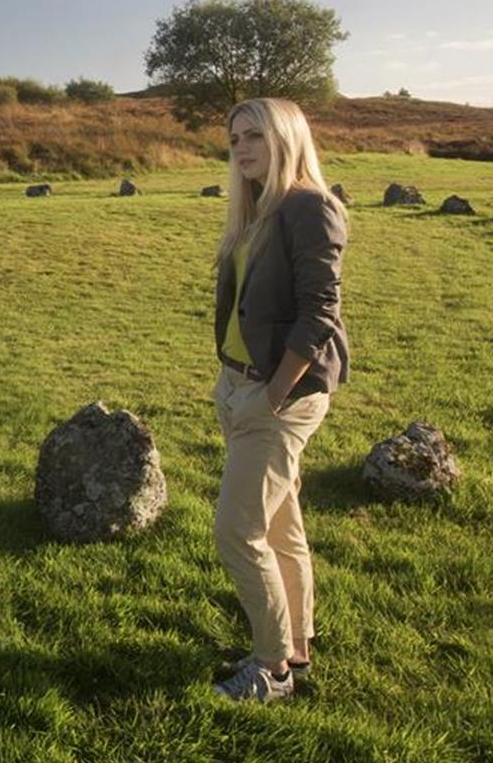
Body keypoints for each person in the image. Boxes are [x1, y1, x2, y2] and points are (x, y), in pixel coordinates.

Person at [208, 97, 349, 702]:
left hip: (278, 395)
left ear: (286, 137)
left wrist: (270, 395)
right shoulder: (258, 211)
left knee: (237, 532)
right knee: (282, 524)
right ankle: (297, 645)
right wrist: (234, 384)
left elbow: (320, 311)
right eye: (235, 139)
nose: (242, 149)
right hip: (240, 384)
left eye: (255, 137)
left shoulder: (309, 207)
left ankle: (273, 670)